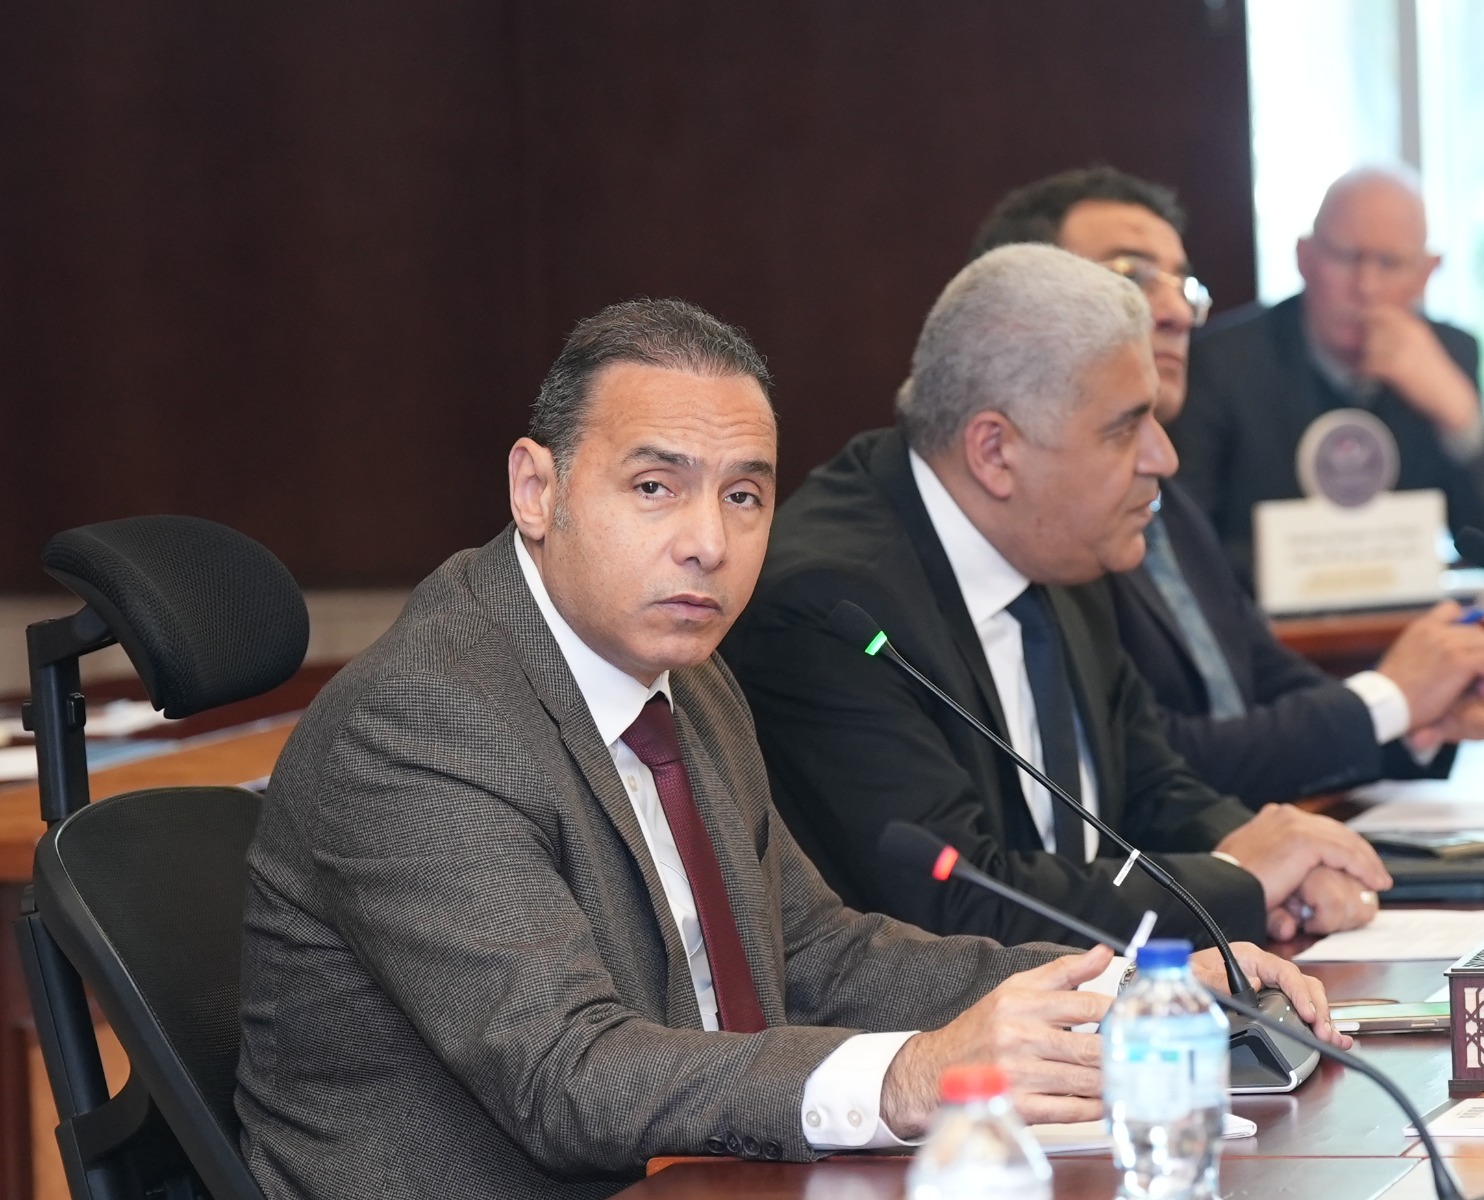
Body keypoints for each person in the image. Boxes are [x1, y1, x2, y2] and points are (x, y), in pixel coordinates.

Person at [234, 298, 1337, 1200]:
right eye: (654, 487)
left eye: (744, 495)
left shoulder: (692, 681)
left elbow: (815, 955)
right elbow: (568, 1074)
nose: (707, 543)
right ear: (537, 488)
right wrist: (907, 1075)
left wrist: (1126, 995)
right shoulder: (422, 720)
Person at [722, 245, 1394, 955]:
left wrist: (1282, 858)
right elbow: (955, 904)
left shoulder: (1055, 536)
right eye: (1125, 428)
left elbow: (1148, 784)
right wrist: (1234, 883)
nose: (1163, 458)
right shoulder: (829, 610)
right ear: (995, 452)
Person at [968, 166, 1484, 814]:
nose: (1174, 312)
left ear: (1428, 273)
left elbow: (1259, 671)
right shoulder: (1053, 511)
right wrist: (1389, 700)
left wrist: (1410, 716)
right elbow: (1152, 761)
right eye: (1132, 278)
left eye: (1180, 285)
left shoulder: (1167, 499)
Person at [1167, 165, 1484, 590]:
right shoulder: (1224, 362)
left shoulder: (1451, 354)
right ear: (1304, 258)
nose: (1366, 287)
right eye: (1347, 257)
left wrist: (1460, 418)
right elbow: (1183, 548)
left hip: (1411, 616)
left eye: (1390, 263)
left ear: (1427, 272)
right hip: (1259, 620)